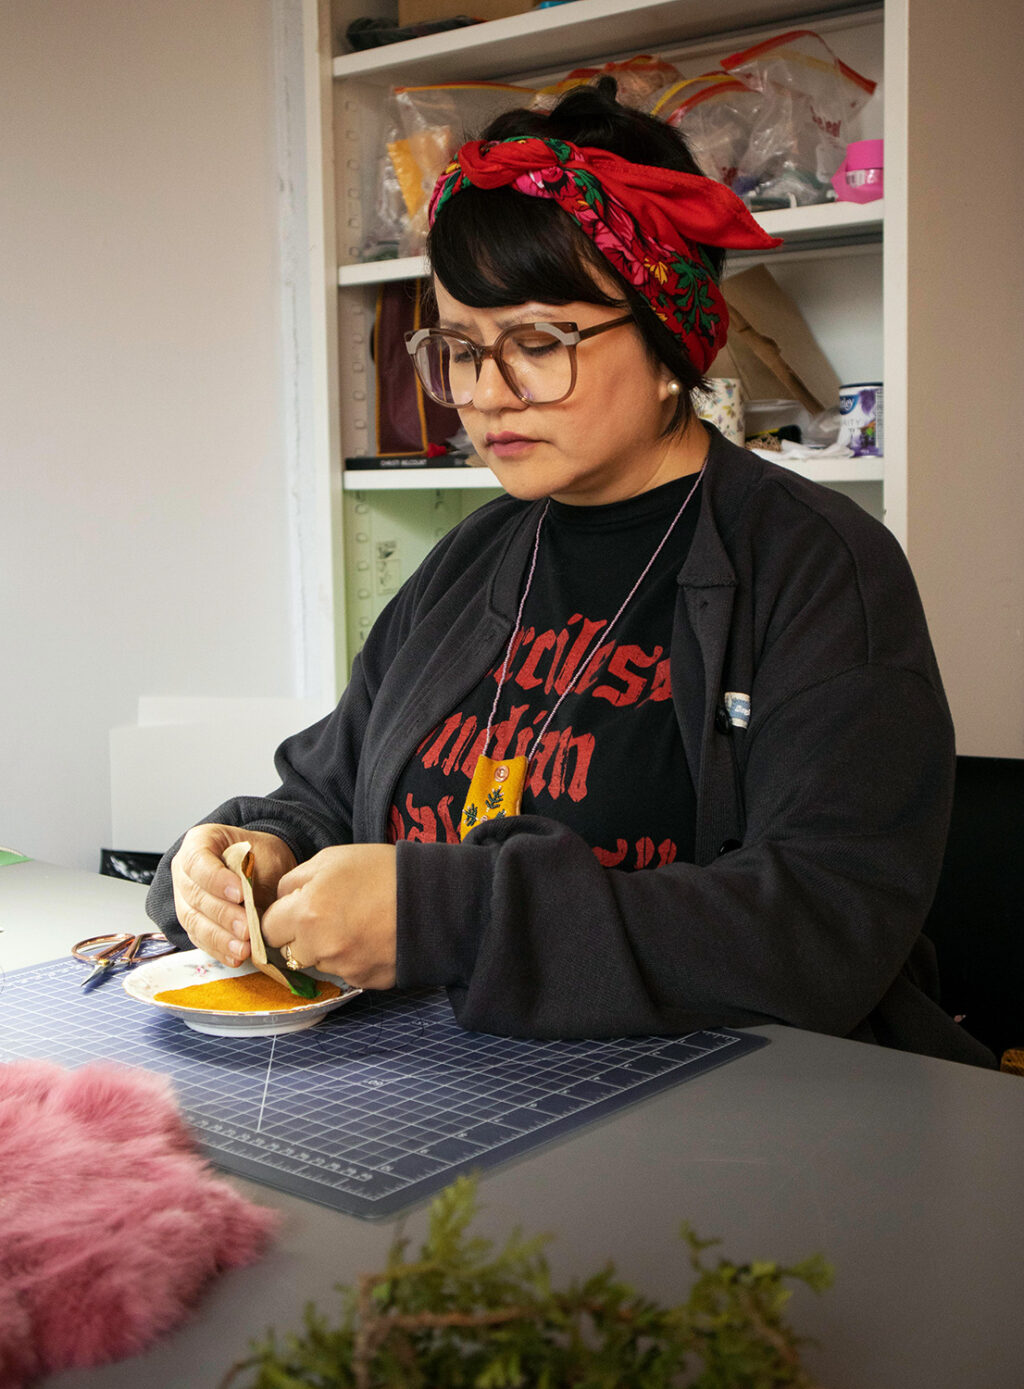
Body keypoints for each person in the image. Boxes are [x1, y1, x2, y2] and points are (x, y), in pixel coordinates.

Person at [146, 82, 993, 1067]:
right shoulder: (472, 558)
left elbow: (821, 929)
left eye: (538, 343)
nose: (483, 393)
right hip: (460, 1082)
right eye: (458, 348)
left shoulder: (815, 566)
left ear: (668, 332)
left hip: (737, 1111)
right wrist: (247, 855)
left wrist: (446, 915)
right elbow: (328, 796)